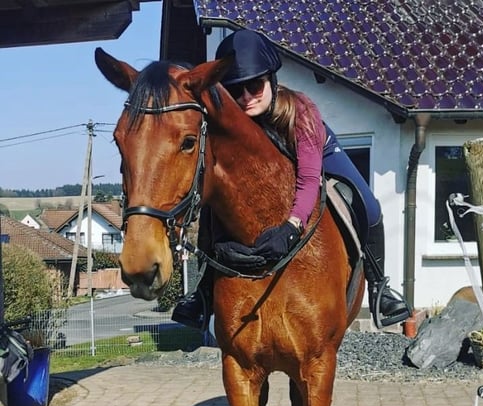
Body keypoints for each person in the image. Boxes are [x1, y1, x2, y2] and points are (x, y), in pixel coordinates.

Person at [172, 29, 411, 330]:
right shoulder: (232, 121)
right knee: (214, 205)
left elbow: (308, 179)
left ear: (271, 80)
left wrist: (291, 226)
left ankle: (379, 288)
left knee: (369, 205)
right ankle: (204, 291)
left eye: (254, 86)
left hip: (319, 154)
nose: (246, 97)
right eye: (235, 90)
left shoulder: (300, 111)